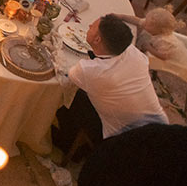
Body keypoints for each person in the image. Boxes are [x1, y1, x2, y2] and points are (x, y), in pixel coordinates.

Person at [55, 14, 167, 153]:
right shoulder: (134, 53)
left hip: (126, 142)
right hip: (162, 129)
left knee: (72, 97)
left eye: (92, 27)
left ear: (97, 39)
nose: (89, 26)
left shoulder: (89, 70)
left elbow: (67, 77)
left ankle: (68, 143)